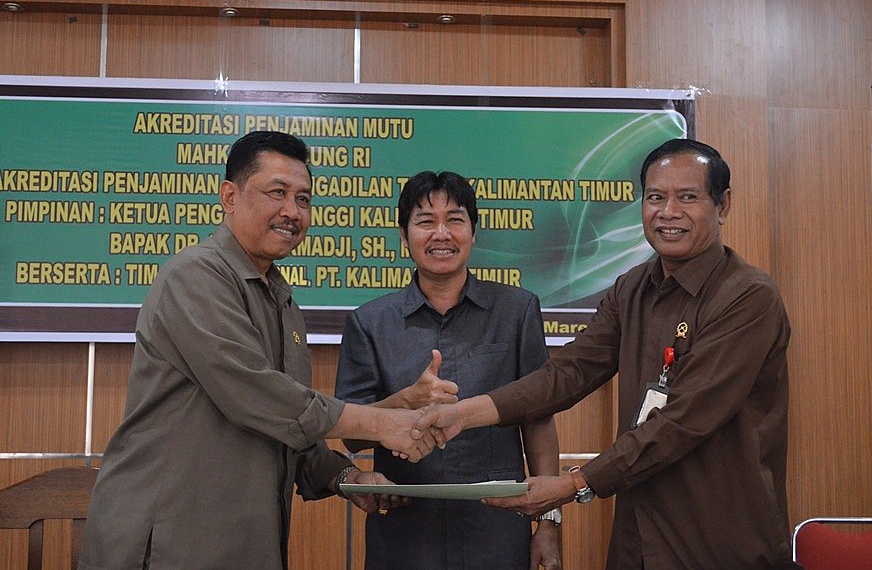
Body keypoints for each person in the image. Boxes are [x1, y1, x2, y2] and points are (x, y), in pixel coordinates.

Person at [417, 139, 794, 569]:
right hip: (639, 541)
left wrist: (575, 483)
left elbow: (683, 421)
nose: (668, 212)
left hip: (720, 541)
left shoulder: (747, 297)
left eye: (688, 197)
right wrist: (463, 415)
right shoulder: (632, 289)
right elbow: (567, 373)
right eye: (655, 197)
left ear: (722, 205)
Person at [79, 131, 441, 570]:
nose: (292, 211)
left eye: (303, 199)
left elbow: (286, 424)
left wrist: (346, 476)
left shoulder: (281, 301)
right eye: (277, 193)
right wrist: (383, 423)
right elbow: (258, 395)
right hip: (170, 543)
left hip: (243, 543)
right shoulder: (194, 276)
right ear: (229, 197)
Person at [335, 170, 562, 569]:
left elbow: (538, 419)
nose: (441, 234)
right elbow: (351, 436)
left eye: (455, 220)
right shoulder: (369, 322)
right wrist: (405, 401)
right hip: (405, 532)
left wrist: (549, 523)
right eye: (426, 221)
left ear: (473, 232)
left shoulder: (517, 311)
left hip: (496, 529)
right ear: (404, 236)